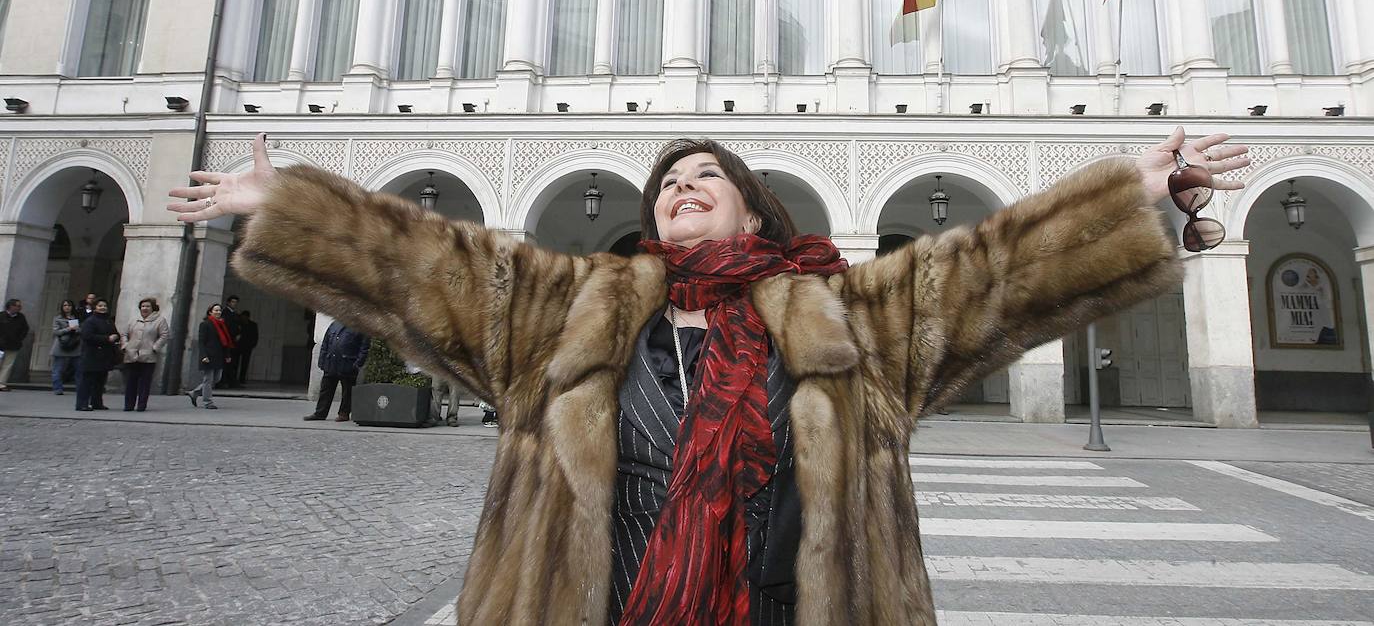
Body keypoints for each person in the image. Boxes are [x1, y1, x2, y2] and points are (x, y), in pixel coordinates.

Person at [170, 128, 1249, 624]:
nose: (686, 186)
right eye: (671, 181)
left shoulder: (848, 316)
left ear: (749, 210)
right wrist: (289, 209)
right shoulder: (565, 309)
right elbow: (426, 267)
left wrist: (1133, 190)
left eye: (709, 177)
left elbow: (994, 274)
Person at [303, 319, 368, 422]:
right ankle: (320, 413)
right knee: (325, 390)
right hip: (331, 363)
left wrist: (357, 363)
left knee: (347, 392)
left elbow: (364, 347)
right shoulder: (334, 324)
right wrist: (322, 360)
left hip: (348, 363)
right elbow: (325, 343)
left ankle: (344, 413)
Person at [121, 297, 168, 412]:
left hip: (148, 355)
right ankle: (128, 405)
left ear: (153, 308)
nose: (145, 308)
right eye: (142, 306)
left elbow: (164, 335)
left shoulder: (160, 320)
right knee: (131, 382)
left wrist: (155, 347)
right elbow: (124, 334)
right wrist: (125, 346)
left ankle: (141, 405)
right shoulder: (134, 320)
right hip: (131, 354)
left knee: (145, 383)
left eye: (147, 306)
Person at [187, 304, 233, 410]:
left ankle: (194, 393)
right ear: (210, 312)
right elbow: (202, 341)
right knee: (208, 379)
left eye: (219, 310)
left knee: (216, 379)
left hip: (219, 356)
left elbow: (225, 342)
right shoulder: (205, 324)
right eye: (215, 310)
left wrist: (227, 355)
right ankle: (208, 402)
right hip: (208, 355)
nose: (218, 312)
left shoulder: (222, 324)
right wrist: (203, 356)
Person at [76, 299, 119, 411]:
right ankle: (82, 404)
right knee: (87, 382)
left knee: (100, 382)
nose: (103, 307)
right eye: (100, 305)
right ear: (95, 307)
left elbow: (115, 332)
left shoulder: (108, 321)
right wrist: (106, 338)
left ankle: (97, 402)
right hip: (91, 355)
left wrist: (115, 337)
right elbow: (87, 336)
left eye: (105, 305)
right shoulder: (90, 321)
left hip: (104, 356)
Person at [49, 299, 82, 395]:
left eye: (69, 305)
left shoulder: (76, 317)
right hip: (61, 344)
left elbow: (81, 330)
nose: (67, 307)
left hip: (75, 344)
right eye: (65, 305)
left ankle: (80, 388)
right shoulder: (57, 318)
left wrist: (77, 329)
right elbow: (56, 332)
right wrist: (68, 329)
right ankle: (57, 388)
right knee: (58, 368)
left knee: (79, 368)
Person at [0, 298, 30, 391]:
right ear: (10, 306)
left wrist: (19, 339)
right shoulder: (1, 315)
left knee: (8, 365)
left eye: (19, 306)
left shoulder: (21, 317)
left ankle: (1, 383)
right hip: (0, 344)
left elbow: (25, 329)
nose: (19, 307)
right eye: (17, 305)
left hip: (13, 345)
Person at [219, 296, 243, 386]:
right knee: (226, 361)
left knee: (233, 362)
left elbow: (238, 326)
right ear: (228, 302)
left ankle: (231, 380)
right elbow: (227, 327)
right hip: (227, 340)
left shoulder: (235, 314)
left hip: (234, 342)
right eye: (233, 302)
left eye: (236, 302)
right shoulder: (225, 313)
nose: (234, 304)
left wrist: (239, 334)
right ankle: (223, 381)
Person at [233, 309, 259, 387]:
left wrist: (252, 345)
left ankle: (242, 378)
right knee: (235, 363)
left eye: (245, 317)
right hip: (238, 346)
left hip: (247, 347)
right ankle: (234, 378)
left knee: (245, 363)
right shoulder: (238, 324)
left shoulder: (253, 325)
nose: (243, 318)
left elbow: (255, 336)